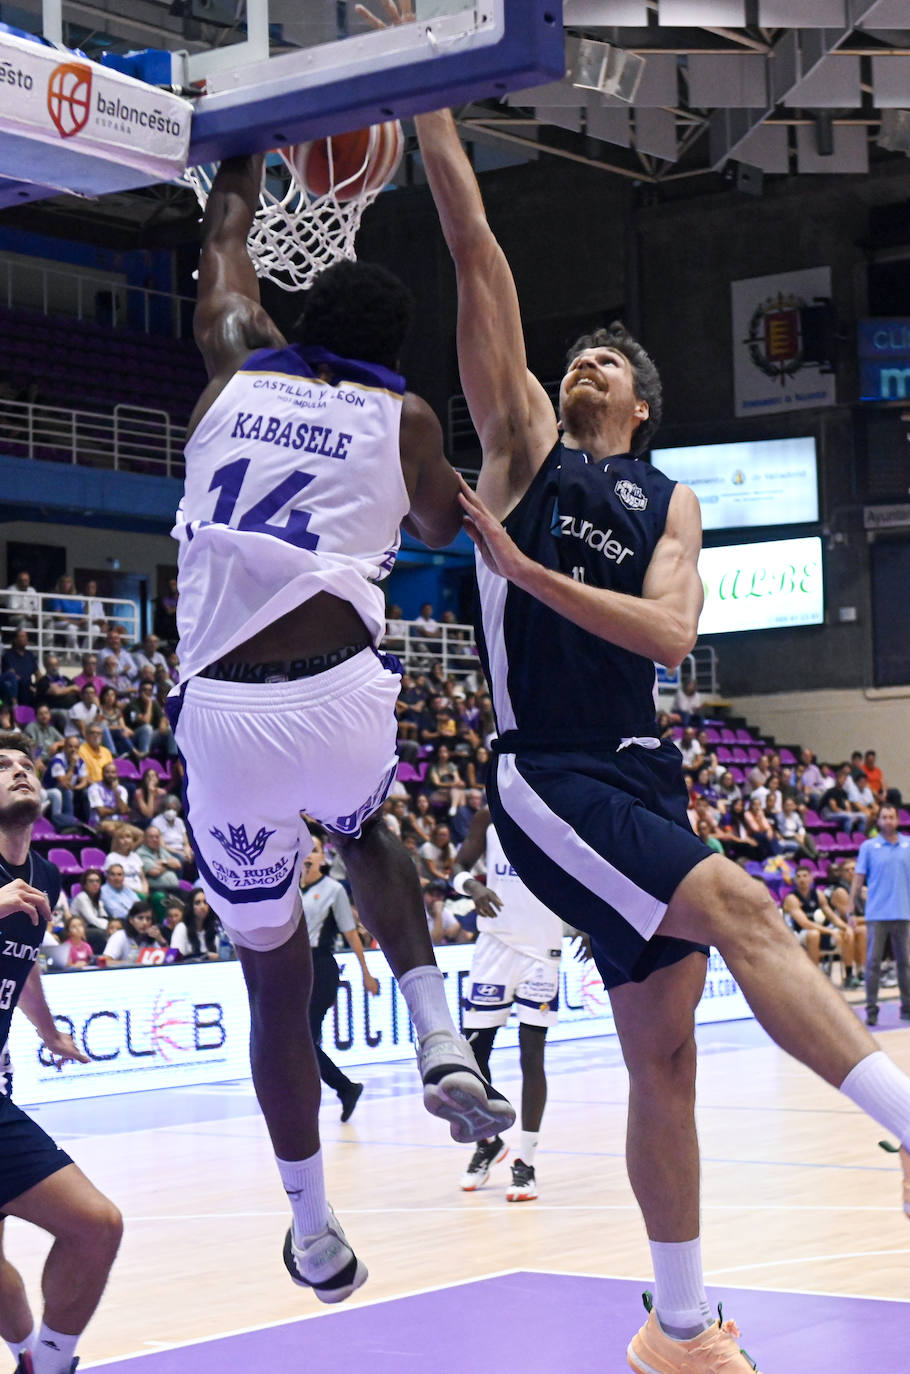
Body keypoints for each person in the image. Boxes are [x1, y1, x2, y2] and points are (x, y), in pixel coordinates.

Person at [405, 76, 910, 1372]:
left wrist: (529, 576)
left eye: (611, 361)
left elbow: (671, 639)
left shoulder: (669, 504)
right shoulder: (520, 447)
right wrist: (428, 103)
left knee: (666, 1059)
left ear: (640, 405)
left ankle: (677, 1327)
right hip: (546, 777)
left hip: (642, 770)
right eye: (579, 351)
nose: (586, 359)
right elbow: (473, 245)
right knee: (746, 905)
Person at [167, 146, 514, 1306]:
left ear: (294, 316)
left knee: (274, 982)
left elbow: (221, 257)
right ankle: (434, 1029)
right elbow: (430, 526)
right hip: (342, 694)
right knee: (368, 834)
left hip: (223, 714)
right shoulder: (402, 415)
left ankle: (312, 1232)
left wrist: (238, 165)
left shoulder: (230, 365)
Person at [0, 732, 122, 1372]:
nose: (19, 771)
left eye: (26, 764)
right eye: (2, 767)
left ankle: (45, 1364)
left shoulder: (43, 876)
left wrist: (47, 1034)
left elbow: (23, 971)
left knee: (97, 1225)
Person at [454, 808, 565, 1202]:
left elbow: (588, 878)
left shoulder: (559, 816)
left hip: (542, 950)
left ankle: (527, 1164)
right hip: (495, 945)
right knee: (472, 1057)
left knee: (532, 1057)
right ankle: (488, 1140)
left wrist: (591, 926)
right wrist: (474, 888)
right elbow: (458, 868)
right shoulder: (487, 818)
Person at [301, 833, 378, 1122]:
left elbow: (350, 932)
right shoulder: (290, 888)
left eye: (315, 850)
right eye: (304, 849)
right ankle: (329, 1093)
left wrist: (366, 973)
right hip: (294, 968)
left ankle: (345, 1087)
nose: (308, 854)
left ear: (323, 858)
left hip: (321, 966)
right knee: (301, 1041)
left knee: (304, 1038)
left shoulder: (333, 889)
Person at [848, 804, 910, 1027]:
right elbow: (858, 878)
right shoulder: (869, 846)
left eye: (891, 817)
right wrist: (851, 907)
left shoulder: (908, 845)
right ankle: (871, 1009)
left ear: (897, 820)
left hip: (903, 912)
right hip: (877, 914)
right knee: (873, 963)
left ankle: (907, 1007)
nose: (888, 821)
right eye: (884, 817)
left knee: (905, 963)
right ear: (879, 821)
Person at [782, 864, 861, 986]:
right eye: (798, 877)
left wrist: (845, 927)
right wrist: (830, 931)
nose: (802, 879)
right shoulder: (791, 898)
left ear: (811, 878)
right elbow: (805, 923)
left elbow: (832, 917)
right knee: (814, 934)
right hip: (799, 935)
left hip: (821, 931)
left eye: (805, 876)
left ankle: (849, 975)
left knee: (846, 933)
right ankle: (815, 977)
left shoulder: (818, 894)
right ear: (795, 880)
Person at [170, 888, 220, 960]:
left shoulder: (215, 928)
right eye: (197, 903)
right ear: (190, 906)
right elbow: (176, 958)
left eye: (205, 902)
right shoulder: (182, 928)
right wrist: (206, 956)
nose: (202, 906)